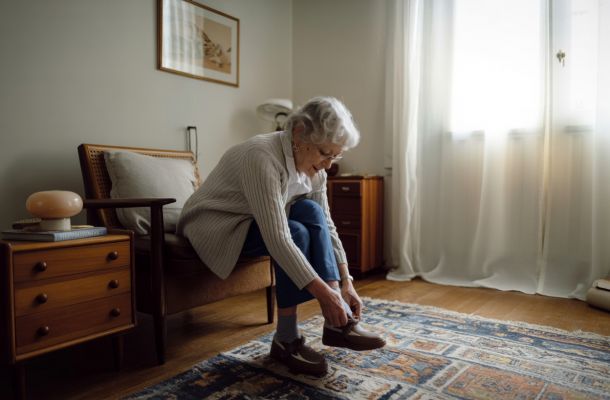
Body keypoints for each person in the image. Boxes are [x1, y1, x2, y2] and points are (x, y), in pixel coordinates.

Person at [177, 96, 385, 377]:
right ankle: (285, 339)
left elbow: (327, 224)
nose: (327, 165)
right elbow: (278, 237)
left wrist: (345, 284)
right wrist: (324, 296)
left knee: (310, 210)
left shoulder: (316, 170)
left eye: (335, 156)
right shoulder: (260, 156)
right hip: (216, 226)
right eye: (325, 153)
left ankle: (337, 326)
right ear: (299, 133)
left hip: (250, 222)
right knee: (295, 230)